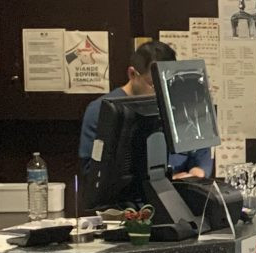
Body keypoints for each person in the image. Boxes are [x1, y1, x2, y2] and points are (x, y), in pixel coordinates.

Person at [78, 41, 212, 181]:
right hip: (130, 192)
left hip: (183, 188)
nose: (163, 93)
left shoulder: (180, 103)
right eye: (155, 85)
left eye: (168, 84)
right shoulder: (101, 111)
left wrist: (198, 171)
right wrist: (166, 180)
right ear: (132, 74)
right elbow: (92, 172)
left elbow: (201, 150)